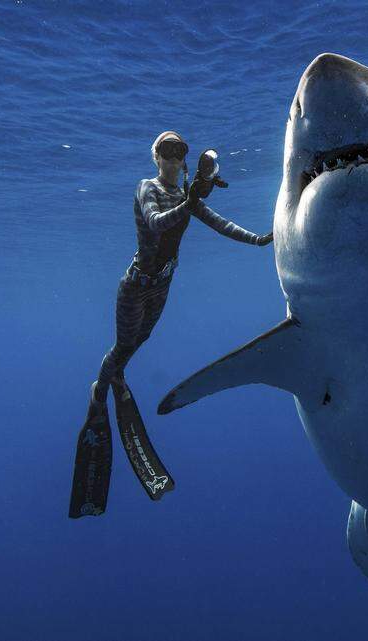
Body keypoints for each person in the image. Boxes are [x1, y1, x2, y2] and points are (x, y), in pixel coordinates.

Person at [69, 130, 272, 518]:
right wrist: (192, 199)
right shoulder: (147, 188)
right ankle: (99, 392)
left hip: (162, 287)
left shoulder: (186, 197)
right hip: (135, 286)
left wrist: (260, 240)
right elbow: (157, 222)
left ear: (184, 160)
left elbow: (220, 223)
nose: (173, 158)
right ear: (156, 157)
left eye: (179, 152)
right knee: (123, 347)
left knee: (136, 345)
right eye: (166, 150)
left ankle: (116, 377)